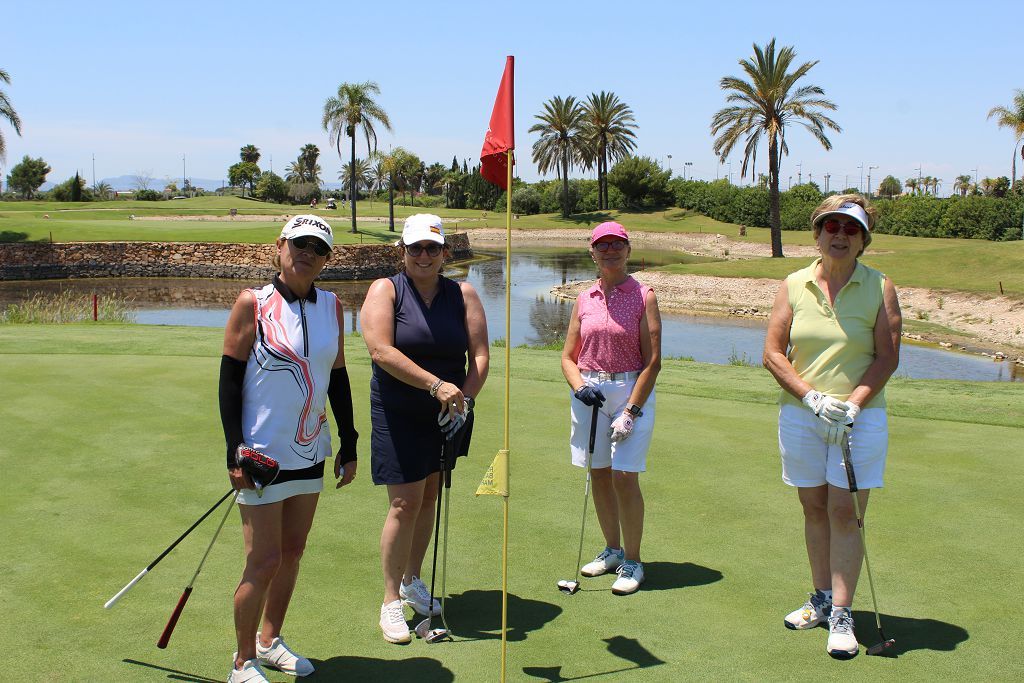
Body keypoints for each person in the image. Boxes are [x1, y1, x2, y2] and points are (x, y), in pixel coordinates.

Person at [219, 214, 359, 681]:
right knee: (264, 560)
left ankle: (270, 639)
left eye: (317, 249)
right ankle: (242, 660)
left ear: (326, 259)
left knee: (293, 553)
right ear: (280, 246)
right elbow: (229, 381)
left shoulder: (332, 307)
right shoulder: (252, 303)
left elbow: (337, 377)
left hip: (309, 451)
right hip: (262, 456)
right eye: (298, 244)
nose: (306, 254)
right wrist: (233, 449)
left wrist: (350, 440)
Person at [762, 195, 902, 659]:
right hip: (803, 414)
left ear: (863, 240)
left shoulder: (879, 286)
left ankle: (842, 612)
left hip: (859, 420)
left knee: (846, 513)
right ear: (817, 234)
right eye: (831, 226)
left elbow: (887, 357)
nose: (839, 235)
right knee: (814, 507)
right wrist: (812, 397)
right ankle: (821, 598)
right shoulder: (794, 284)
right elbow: (773, 353)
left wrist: (854, 404)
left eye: (850, 229)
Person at [360, 213, 489, 643]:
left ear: (445, 253)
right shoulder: (386, 289)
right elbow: (380, 351)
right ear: (402, 251)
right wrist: (436, 386)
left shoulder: (463, 294)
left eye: (433, 248)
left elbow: (481, 357)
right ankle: (390, 600)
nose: (424, 255)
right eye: (415, 248)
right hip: (400, 410)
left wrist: (463, 402)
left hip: (449, 412)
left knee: (429, 494)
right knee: (404, 503)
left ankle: (413, 579)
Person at [560, 222, 662, 595]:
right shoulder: (584, 298)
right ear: (592, 252)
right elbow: (568, 358)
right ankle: (613, 551)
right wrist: (579, 387)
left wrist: (631, 411)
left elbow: (653, 362)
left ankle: (633, 560)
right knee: (599, 474)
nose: (610, 252)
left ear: (628, 250)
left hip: (630, 389)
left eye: (617, 245)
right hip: (590, 391)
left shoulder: (643, 295)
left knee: (624, 476)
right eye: (602, 246)